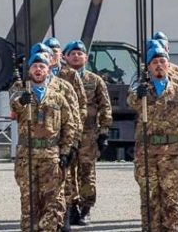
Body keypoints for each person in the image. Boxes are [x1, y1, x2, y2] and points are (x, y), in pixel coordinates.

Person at [128, 44, 178, 232]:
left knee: (170, 200)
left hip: (172, 154)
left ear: (169, 65)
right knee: (149, 199)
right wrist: (138, 93)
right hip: (147, 154)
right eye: (154, 62)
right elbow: (131, 102)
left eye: (162, 61)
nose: (159, 65)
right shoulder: (143, 92)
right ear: (149, 67)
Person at [11, 52, 77, 232]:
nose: (38, 70)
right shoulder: (21, 92)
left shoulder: (57, 97)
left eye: (42, 66)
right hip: (27, 157)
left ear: (49, 71)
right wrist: (22, 102)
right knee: (29, 203)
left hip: (51, 156)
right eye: (34, 66)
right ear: (29, 71)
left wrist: (65, 151)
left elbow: (68, 125)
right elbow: (13, 107)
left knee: (53, 202)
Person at [64, 40, 112, 225]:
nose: (76, 56)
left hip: (88, 133)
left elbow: (105, 106)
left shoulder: (95, 80)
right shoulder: (60, 79)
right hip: (67, 134)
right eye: (72, 53)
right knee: (67, 172)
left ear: (86, 57)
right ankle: (70, 208)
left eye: (80, 53)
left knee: (87, 172)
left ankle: (85, 209)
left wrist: (104, 132)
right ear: (65, 57)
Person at [44, 39, 86, 232]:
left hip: (65, 137)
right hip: (43, 139)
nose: (52, 56)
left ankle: (66, 215)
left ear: (60, 55)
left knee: (67, 178)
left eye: (55, 52)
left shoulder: (69, 75)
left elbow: (79, 107)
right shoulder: (33, 76)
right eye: (48, 52)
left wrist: (75, 137)